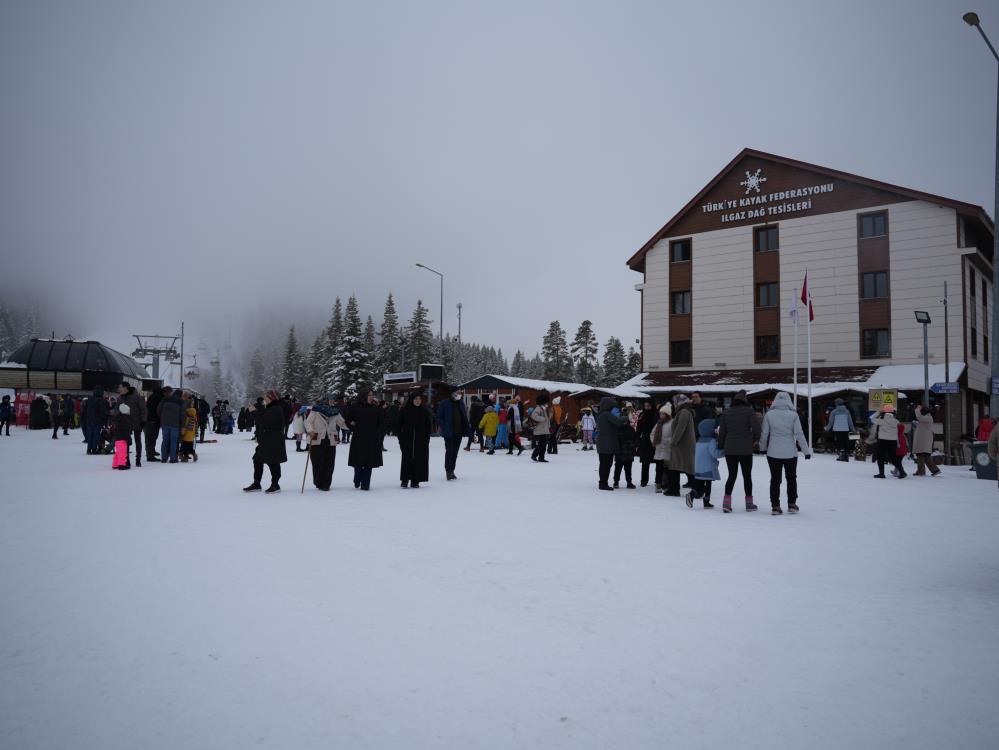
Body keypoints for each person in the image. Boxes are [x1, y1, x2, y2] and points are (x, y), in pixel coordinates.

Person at [759, 391, 812, 514]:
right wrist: (806, 451)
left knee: (775, 479)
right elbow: (799, 434)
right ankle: (792, 504)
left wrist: (762, 448)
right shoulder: (793, 415)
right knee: (791, 478)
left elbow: (764, 433)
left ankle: (775, 506)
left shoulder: (769, 415)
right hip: (790, 453)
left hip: (773, 452)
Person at [717, 390, 760, 512]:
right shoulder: (749, 411)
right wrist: (756, 439)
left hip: (730, 449)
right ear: (744, 400)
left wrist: (720, 445)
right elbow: (757, 428)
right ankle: (749, 503)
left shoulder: (726, 413)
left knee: (732, 475)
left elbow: (722, 432)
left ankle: (726, 502)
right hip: (745, 449)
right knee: (747, 476)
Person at [242, 390, 287, 492]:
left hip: (273, 440)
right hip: (266, 440)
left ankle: (275, 485)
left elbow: (263, 421)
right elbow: (264, 417)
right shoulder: (272, 408)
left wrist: (254, 412)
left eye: (267, 397)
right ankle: (257, 483)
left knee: (273, 462)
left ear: (272, 398)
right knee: (257, 460)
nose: (265, 399)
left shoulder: (276, 409)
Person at [304, 393, 347, 491]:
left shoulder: (335, 411)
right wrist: (310, 431)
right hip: (317, 438)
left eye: (333, 399)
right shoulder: (316, 410)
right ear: (325, 400)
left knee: (329, 462)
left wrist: (354, 427)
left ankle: (326, 484)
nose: (333, 401)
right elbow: (308, 422)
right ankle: (318, 481)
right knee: (317, 462)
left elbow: (342, 423)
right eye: (331, 399)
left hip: (331, 439)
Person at [346, 389, 384, 490]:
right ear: (363, 396)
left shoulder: (375, 408)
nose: (371, 397)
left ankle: (365, 484)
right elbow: (348, 420)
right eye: (369, 395)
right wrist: (353, 426)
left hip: (372, 439)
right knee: (358, 462)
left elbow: (381, 422)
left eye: (372, 395)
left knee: (369, 462)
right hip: (358, 438)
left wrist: (378, 432)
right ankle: (357, 478)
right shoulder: (355, 407)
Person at [397, 392, 432, 488]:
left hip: (420, 441)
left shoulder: (424, 411)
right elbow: (398, 425)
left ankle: (415, 480)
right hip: (407, 440)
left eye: (419, 399)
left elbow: (428, 426)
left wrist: (426, 439)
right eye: (416, 399)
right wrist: (401, 438)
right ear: (412, 400)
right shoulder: (405, 411)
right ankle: (405, 480)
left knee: (419, 460)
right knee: (406, 460)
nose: (418, 401)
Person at [686, 418, 722, 509]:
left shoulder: (699, 441)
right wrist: (724, 451)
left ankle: (693, 494)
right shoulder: (711, 441)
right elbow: (715, 453)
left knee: (700, 484)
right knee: (708, 484)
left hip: (698, 468)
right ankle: (705, 501)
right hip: (708, 468)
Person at [436, 389, 470, 480]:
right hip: (449, 432)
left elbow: (464, 417)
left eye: (459, 393)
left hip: (459, 432)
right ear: (452, 393)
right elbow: (439, 417)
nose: (459, 395)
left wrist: (467, 428)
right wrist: (445, 426)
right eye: (457, 393)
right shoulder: (444, 403)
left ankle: (452, 470)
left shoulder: (461, 403)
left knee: (455, 452)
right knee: (449, 452)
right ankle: (448, 471)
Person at [595, 396, 628, 490]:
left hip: (602, 443)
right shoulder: (607, 414)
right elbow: (617, 421)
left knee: (603, 464)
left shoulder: (600, 414)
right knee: (606, 464)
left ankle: (602, 482)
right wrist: (627, 417)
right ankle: (603, 484)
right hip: (607, 443)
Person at [669, 394, 697, 492]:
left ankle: (696, 488)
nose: (673, 404)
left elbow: (680, 428)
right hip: (682, 444)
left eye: (674, 402)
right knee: (680, 466)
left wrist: (673, 442)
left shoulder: (684, 412)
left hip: (683, 444)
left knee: (683, 466)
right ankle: (674, 489)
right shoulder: (682, 411)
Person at [870, 404, 906, 479]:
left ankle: (881, 474)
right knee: (893, 458)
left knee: (880, 457)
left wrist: (879, 412)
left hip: (882, 441)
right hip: (893, 441)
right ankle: (902, 472)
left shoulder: (881, 421)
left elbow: (872, 418)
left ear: (884, 412)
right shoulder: (896, 421)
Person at [116, 382, 147, 467]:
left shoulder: (136, 397)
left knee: (138, 441)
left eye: (120, 387)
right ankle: (127, 459)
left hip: (136, 422)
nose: (119, 389)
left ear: (126, 388)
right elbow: (116, 410)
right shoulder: (120, 398)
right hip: (124, 423)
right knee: (125, 442)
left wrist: (143, 420)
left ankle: (138, 459)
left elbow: (143, 409)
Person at [912, 405, 941, 477]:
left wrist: (917, 409)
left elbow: (919, 417)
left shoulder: (928, 417)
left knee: (923, 454)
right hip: (923, 440)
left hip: (924, 440)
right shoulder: (926, 418)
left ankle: (926, 471)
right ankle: (925, 470)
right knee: (922, 455)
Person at [614, 405, 638, 488]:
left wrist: (634, 446)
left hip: (627, 453)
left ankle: (628, 482)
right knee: (618, 468)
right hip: (621, 453)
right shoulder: (618, 430)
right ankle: (616, 482)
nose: (624, 423)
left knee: (627, 469)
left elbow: (635, 439)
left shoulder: (630, 429)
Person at [157, 387, 184, 463]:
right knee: (174, 441)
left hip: (165, 424)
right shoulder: (181, 402)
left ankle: (164, 458)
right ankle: (173, 458)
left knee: (165, 440)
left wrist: (162, 418)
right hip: (175, 425)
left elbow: (158, 410)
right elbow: (182, 415)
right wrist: (182, 425)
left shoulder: (165, 399)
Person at [824, 398, 856, 462]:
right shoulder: (847, 411)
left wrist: (826, 429)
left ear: (836, 403)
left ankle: (841, 455)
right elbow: (850, 422)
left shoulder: (834, 412)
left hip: (837, 429)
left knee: (839, 442)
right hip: (845, 429)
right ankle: (846, 456)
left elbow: (831, 422)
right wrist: (853, 430)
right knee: (845, 442)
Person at [635, 399, 658, 487]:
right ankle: (644, 480)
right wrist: (637, 439)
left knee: (657, 461)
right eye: (645, 406)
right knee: (645, 462)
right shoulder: (642, 415)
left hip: (654, 440)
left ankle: (657, 480)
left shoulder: (656, 414)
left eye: (648, 406)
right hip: (645, 440)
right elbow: (638, 428)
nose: (647, 407)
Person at [82, 386, 108, 454]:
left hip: (89, 420)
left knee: (90, 435)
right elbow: (103, 412)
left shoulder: (89, 399)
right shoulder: (101, 400)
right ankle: (93, 449)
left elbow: (85, 410)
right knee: (96, 435)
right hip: (97, 421)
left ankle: (88, 449)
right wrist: (104, 422)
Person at [529, 393, 552, 462]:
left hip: (544, 429)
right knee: (541, 445)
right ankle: (534, 455)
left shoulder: (545, 409)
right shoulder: (538, 408)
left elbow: (548, 419)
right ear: (543, 401)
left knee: (543, 445)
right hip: (539, 430)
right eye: (546, 401)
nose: (548, 403)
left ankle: (541, 457)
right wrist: (543, 419)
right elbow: (534, 416)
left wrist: (549, 426)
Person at [145, 386, 164, 461]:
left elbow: (147, 406)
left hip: (149, 419)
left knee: (149, 438)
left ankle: (151, 452)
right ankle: (150, 455)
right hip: (155, 420)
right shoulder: (160, 398)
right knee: (153, 438)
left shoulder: (151, 397)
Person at [112, 403, 132, 470]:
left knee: (118, 452)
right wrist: (129, 440)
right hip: (123, 439)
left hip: (117, 438)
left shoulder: (118, 418)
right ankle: (121, 465)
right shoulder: (125, 420)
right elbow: (126, 431)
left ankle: (115, 464)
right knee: (123, 453)